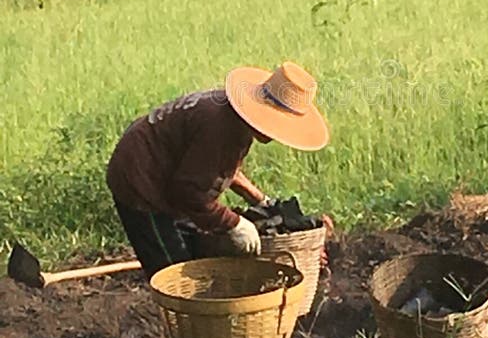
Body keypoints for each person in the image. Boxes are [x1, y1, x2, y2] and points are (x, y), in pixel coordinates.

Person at [106, 62, 330, 280]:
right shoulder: (221, 129)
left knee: (196, 251)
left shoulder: (234, 118)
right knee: (175, 274)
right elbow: (188, 192)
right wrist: (234, 223)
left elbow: (221, 167)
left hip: (171, 173)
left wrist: (260, 201)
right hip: (142, 180)